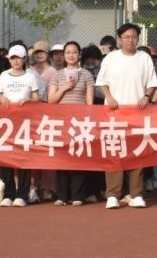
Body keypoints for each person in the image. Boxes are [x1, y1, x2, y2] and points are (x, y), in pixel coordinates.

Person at [96, 24, 157, 209]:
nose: (130, 40)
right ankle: (113, 194)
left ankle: (136, 194)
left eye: (134, 36)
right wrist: (109, 97)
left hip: (137, 113)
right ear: (119, 39)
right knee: (114, 152)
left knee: (137, 152)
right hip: (114, 112)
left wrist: (146, 96)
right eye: (126, 37)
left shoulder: (144, 58)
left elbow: (152, 83)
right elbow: (102, 82)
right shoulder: (111, 58)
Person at [0, 44, 42, 207]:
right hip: (6, 123)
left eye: (19, 58)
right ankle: (8, 194)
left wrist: (28, 100)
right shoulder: (4, 76)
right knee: (6, 157)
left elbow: (37, 98)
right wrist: (2, 99)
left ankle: (22, 195)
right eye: (13, 58)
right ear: (9, 59)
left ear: (24, 59)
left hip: (25, 122)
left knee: (23, 157)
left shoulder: (31, 76)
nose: (16, 61)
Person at [50, 41, 95, 206]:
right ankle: (62, 195)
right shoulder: (57, 75)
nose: (71, 55)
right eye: (68, 52)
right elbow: (51, 100)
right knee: (62, 157)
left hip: (80, 122)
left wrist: (88, 119)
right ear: (64, 55)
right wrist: (64, 88)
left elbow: (89, 102)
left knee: (78, 156)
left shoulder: (86, 75)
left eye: (74, 52)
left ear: (79, 54)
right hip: (61, 121)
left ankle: (78, 195)